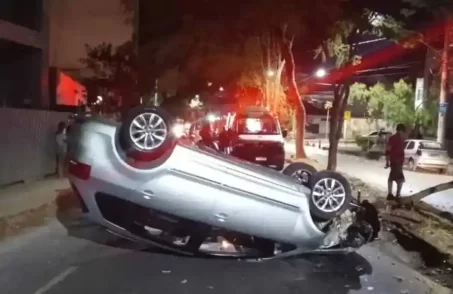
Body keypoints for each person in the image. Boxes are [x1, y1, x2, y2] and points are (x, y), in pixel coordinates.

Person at [385, 123, 407, 200]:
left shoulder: (399, 139)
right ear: (400, 130)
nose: (403, 133)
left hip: (396, 162)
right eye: (403, 131)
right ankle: (396, 195)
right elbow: (388, 150)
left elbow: (388, 151)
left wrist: (387, 162)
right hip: (396, 162)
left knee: (392, 178)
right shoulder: (395, 139)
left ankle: (391, 194)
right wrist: (387, 162)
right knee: (400, 179)